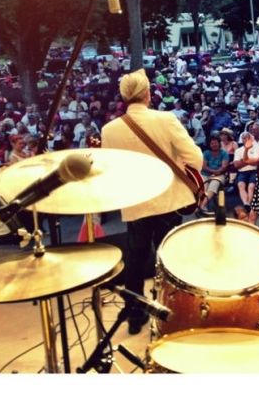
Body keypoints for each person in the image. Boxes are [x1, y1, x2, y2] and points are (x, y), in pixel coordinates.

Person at [101, 69, 203, 335]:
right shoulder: (165, 119)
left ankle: (135, 316)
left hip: (136, 203)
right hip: (168, 199)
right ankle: (176, 310)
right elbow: (196, 159)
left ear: (125, 97)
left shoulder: (109, 130)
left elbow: (111, 170)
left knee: (135, 259)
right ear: (147, 94)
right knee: (170, 256)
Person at [198, 135, 229, 214]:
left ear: (219, 143)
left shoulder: (224, 153)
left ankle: (202, 205)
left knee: (214, 184)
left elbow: (224, 166)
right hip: (206, 174)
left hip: (219, 174)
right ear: (209, 144)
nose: (214, 145)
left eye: (216, 143)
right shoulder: (206, 153)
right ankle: (202, 205)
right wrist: (213, 171)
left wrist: (217, 172)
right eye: (212, 143)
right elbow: (204, 166)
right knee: (203, 187)